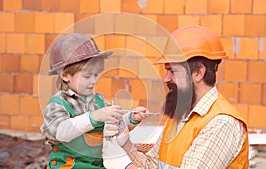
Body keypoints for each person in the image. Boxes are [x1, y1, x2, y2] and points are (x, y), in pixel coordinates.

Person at [102, 26, 249, 169]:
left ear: (198, 73)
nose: (166, 78)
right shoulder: (181, 116)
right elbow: (152, 165)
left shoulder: (221, 123)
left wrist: (124, 166)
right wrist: (125, 143)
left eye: (173, 71)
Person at [40, 33, 147, 169]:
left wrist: (131, 119)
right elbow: (60, 132)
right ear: (66, 75)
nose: (93, 81)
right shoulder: (57, 104)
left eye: (96, 75)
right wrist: (94, 116)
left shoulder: (98, 101)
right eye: (87, 76)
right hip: (68, 166)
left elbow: (114, 127)